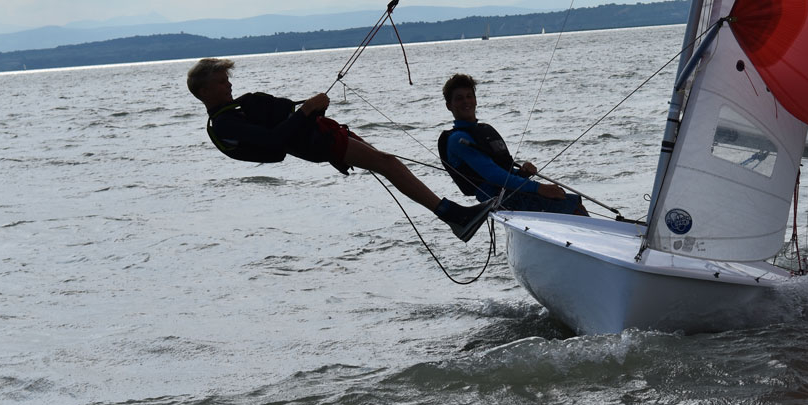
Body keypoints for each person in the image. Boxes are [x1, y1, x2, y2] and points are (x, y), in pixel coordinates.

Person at [187, 58, 494, 242]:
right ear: (204, 91)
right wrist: (307, 110)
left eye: (227, 79)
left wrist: (310, 111)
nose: (228, 84)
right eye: (221, 82)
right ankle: (454, 217)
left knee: (388, 163)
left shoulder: (233, 112)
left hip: (318, 136)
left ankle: (455, 216)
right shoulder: (224, 124)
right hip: (317, 143)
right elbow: (274, 142)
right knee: (389, 163)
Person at [439, 72, 587, 215]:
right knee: (574, 208)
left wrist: (521, 173)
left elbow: (504, 170)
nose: (466, 101)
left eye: (469, 96)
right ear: (448, 105)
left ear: (475, 100)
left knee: (573, 202)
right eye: (459, 98)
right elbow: (493, 175)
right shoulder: (458, 140)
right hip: (501, 200)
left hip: (512, 192)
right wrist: (539, 188)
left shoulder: (484, 130)